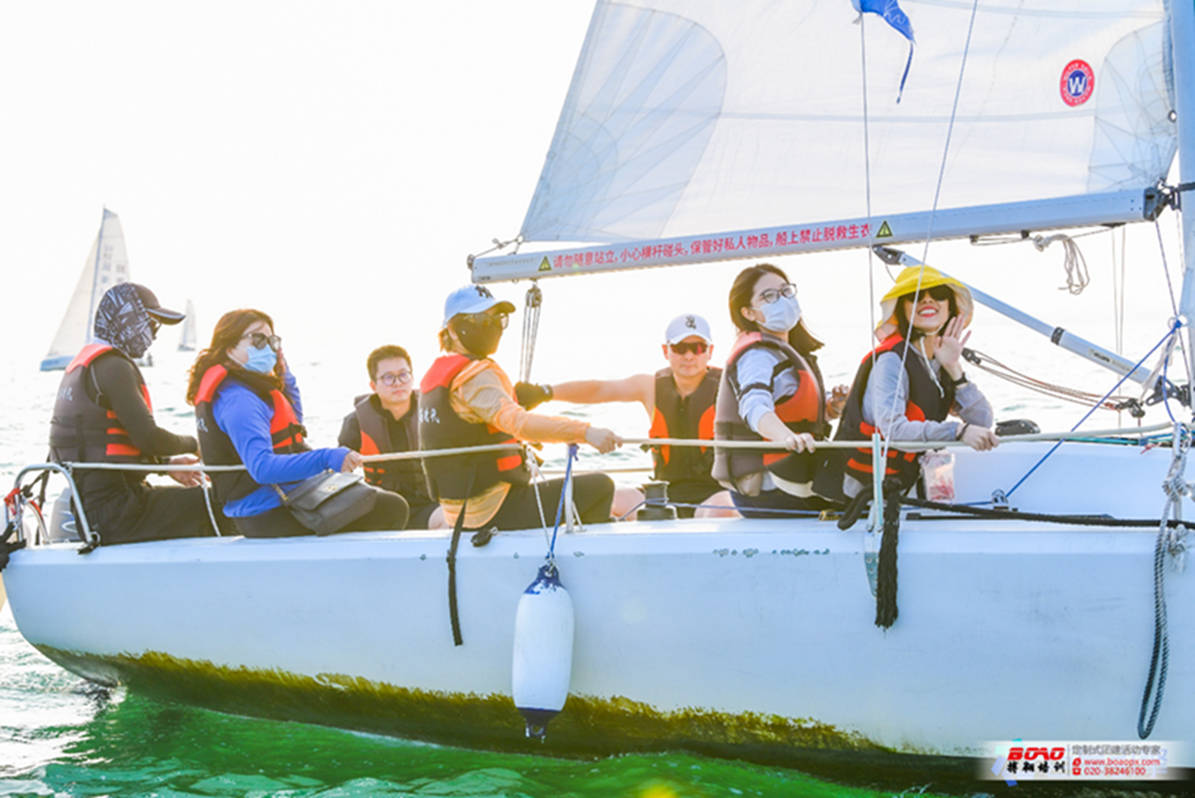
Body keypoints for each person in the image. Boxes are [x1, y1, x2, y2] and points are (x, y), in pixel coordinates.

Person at [186, 309, 409, 537]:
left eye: (272, 341)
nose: (268, 348)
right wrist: (326, 457)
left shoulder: (246, 388)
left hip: (285, 496)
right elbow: (262, 468)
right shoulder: (239, 399)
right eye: (258, 339)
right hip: (268, 512)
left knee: (376, 498)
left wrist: (282, 369)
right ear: (229, 347)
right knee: (391, 508)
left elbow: (295, 421)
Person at [419, 285, 620, 533]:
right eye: (482, 320)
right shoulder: (475, 375)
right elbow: (518, 423)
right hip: (492, 511)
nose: (493, 326)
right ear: (452, 328)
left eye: (499, 319)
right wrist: (586, 432)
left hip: (459, 512)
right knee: (601, 487)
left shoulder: (438, 376)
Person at [515, 313, 737, 519]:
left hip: (714, 492)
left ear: (710, 351)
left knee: (721, 510)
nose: (689, 356)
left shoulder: (730, 386)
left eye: (698, 348)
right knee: (603, 500)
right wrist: (545, 393)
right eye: (680, 348)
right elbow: (600, 390)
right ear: (666, 351)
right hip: (661, 494)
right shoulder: (649, 386)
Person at [48, 282, 218, 544]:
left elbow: (103, 449)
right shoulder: (114, 366)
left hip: (93, 510)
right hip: (118, 513)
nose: (154, 335)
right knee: (221, 503)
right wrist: (196, 445)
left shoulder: (83, 366)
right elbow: (149, 438)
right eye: (151, 324)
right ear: (126, 319)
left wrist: (166, 465)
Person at [822, 265, 998, 501]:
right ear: (902, 309)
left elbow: (982, 422)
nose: (927, 300)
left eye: (938, 294)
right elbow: (893, 431)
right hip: (865, 495)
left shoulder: (940, 361)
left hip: (907, 484)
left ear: (950, 307)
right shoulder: (890, 360)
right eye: (915, 296)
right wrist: (957, 431)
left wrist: (954, 368)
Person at [712, 263, 844, 518]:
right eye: (769, 296)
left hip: (793, 474)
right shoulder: (756, 355)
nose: (782, 300)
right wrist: (787, 437)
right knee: (866, 500)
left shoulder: (786, 352)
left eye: (785, 291)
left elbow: (794, 410)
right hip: (768, 488)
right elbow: (754, 407)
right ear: (748, 313)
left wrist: (831, 408)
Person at [339, 345, 443, 529]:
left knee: (449, 520)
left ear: (412, 378)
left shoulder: (434, 413)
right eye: (388, 377)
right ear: (373, 386)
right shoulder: (355, 423)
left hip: (430, 505)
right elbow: (341, 475)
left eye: (403, 375)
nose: (397, 383)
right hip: (383, 508)